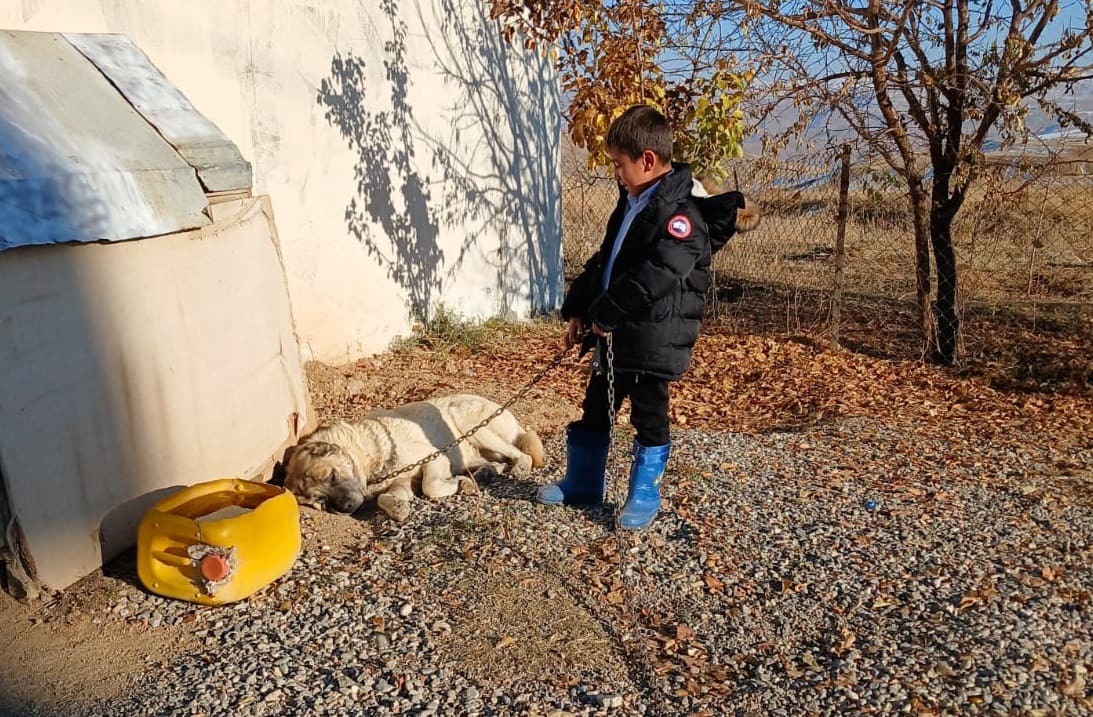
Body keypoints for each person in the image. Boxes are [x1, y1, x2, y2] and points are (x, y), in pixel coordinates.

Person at [536, 104, 758, 529]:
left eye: (619, 164)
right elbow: (607, 260)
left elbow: (655, 276)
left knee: (649, 415)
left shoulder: (684, 216)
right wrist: (580, 308)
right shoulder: (634, 202)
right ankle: (583, 483)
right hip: (613, 332)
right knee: (596, 407)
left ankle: (643, 494)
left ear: (648, 160)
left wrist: (607, 312)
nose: (616, 173)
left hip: (653, 338)